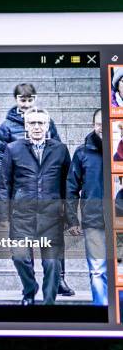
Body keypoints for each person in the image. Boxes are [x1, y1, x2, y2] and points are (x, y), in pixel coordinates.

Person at [0, 83, 73, 297]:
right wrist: (3, 213)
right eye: (33, 123)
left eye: (41, 123)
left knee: (53, 263)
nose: (37, 127)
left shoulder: (60, 150)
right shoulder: (13, 148)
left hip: (51, 215)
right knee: (19, 257)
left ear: (48, 126)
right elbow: (3, 183)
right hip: (22, 214)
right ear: (26, 126)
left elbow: (68, 184)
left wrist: (70, 215)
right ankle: (30, 290)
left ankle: (48, 303)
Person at [66, 109, 108, 306]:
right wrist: (72, 219)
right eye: (100, 123)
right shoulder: (82, 153)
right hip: (94, 221)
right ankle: (102, 311)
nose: (103, 127)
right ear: (94, 125)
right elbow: (71, 188)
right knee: (98, 269)